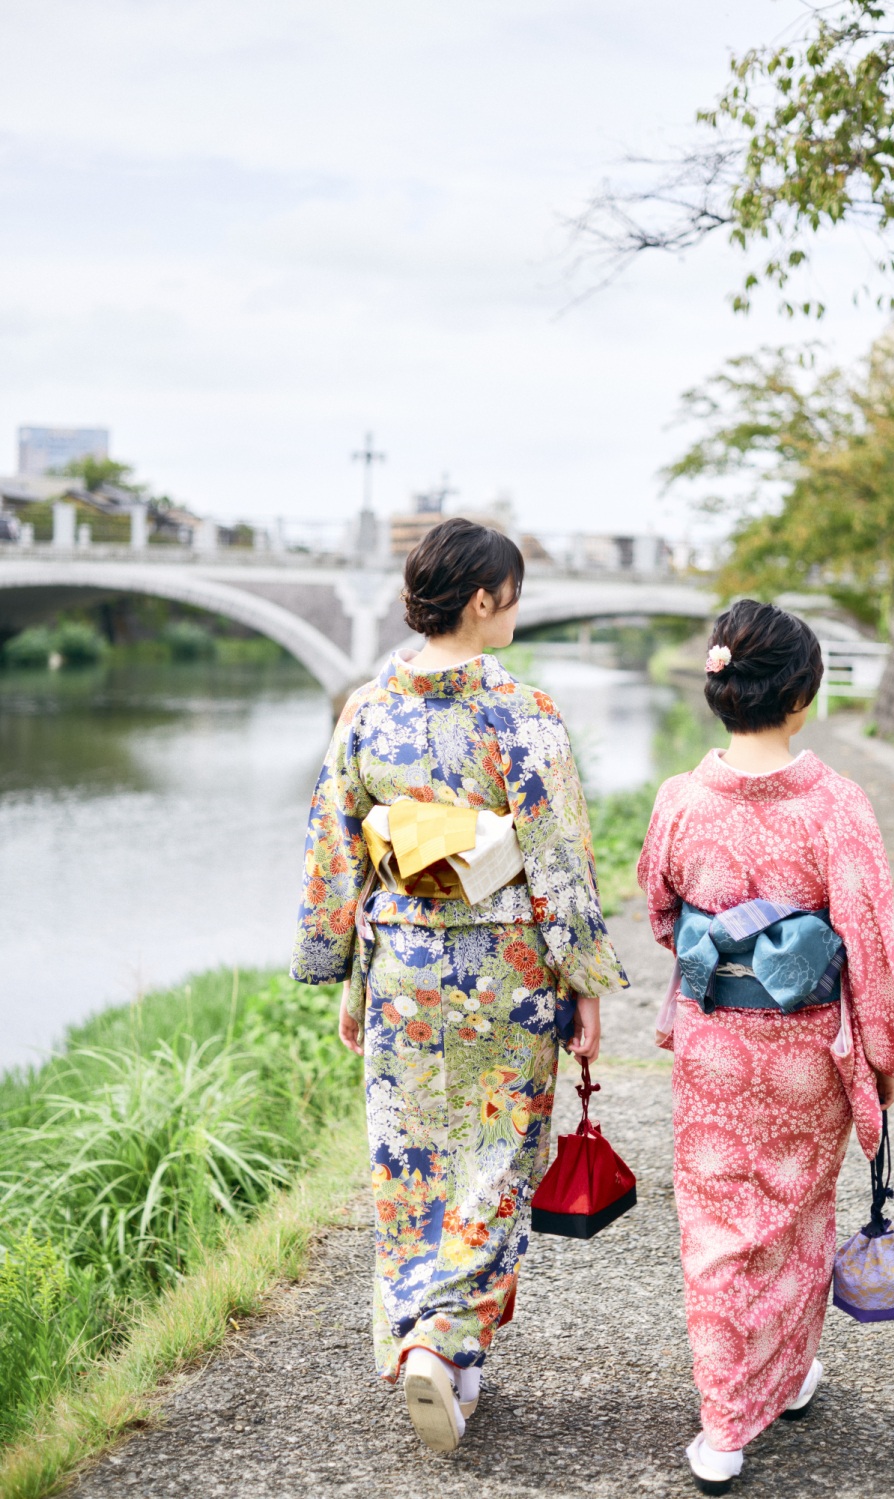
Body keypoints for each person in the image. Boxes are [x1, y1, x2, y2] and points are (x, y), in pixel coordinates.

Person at [291, 516, 628, 1453]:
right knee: (494, 1157)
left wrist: (342, 973)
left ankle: (432, 1349)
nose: (517, 606)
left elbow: (333, 850)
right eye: (512, 591)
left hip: (401, 960)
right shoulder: (522, 712)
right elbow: (558, 861)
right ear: (483, 600)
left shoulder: (366, 709)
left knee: (407, 1161)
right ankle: (446, 1343)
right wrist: (584, 982)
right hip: (505, 966)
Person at [637, 599, 894, 1496]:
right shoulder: (835, 803)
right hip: (805, 1051)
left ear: (720, 690)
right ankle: (777, 1378)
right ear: (802, 696)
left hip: (713, 1043)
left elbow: (659, 910)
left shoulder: (680, 799)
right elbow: (868, 945)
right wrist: (880, 1058)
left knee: (717, 1227)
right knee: (798, 1216)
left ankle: (722, 1418)